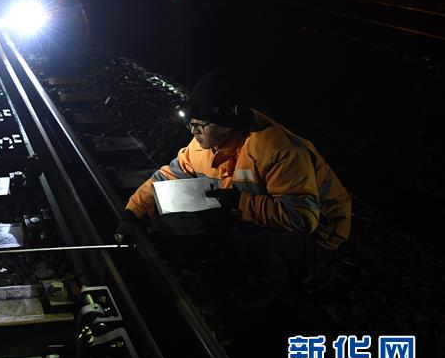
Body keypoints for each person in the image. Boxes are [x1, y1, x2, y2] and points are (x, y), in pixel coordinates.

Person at [115, 70, 351, 310]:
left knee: (245, 235)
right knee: (202, 201)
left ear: (229, 122)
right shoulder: (203, 145)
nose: (194, 132)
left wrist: (238, 202)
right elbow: (167, 176)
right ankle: (238, 260)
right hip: (255, 207)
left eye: (201, 125)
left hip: (319, 231)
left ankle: (267, 287)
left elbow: (303, 217)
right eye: (190, 122)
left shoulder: (277, 150)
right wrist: (133, 213)